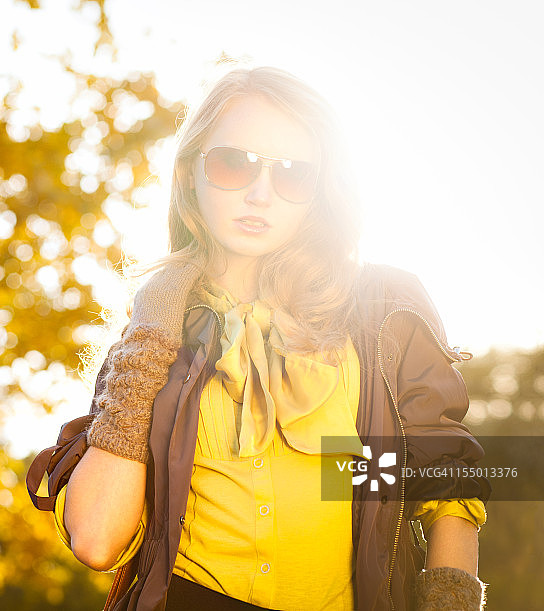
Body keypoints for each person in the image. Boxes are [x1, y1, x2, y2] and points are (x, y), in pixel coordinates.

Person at [52, 66, 489, 610]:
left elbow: (447, 487)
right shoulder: (154, 336)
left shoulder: (383, 312)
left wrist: (449, 601)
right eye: (233, 163)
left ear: (319, 190)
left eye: (292, 174)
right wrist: (153, 320)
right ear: (189, 172)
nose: (260, 194)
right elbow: (96, 540)